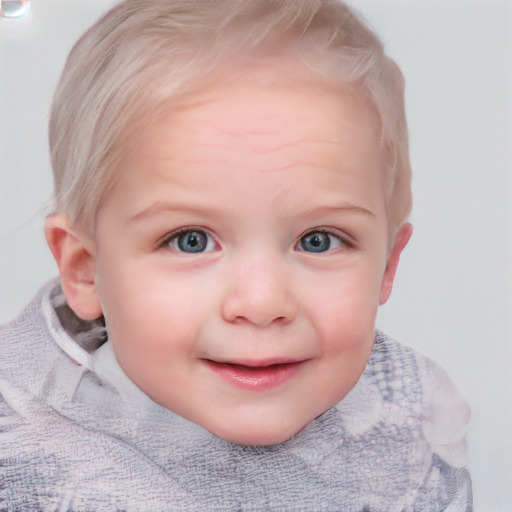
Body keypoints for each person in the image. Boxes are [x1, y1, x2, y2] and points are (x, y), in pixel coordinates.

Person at [0, 0, 472, 510]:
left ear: (386, 266)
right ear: (86, 270)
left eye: (319, 240)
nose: (263, 302)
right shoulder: (24, 458)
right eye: (190, 240)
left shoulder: (413, 431)